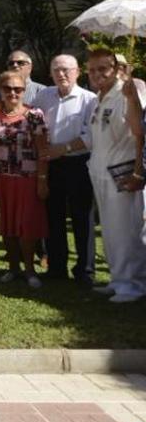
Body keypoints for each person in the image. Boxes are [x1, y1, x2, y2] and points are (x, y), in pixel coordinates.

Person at [84, 49, 146, 303]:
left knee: (126, 231)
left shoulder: (127, 92)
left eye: (103, 69)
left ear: (116, 69)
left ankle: (133, 285)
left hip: (121, 171)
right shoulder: (101, 97)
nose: (97, 74)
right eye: (92, 70)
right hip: (100, 172)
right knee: (110, 230)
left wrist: (139, 172)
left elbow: (139, 133)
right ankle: (118, 278)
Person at [32, 55, 96, 285]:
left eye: (66, 70)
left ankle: (85, 270)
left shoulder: (90, 99)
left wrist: (65, 148)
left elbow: (91, 135)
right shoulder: (44, 96)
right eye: (56, 70)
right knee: (53, 216)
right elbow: (34, 124)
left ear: (77, 72)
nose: (61, 74)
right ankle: (57, 267)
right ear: (50, 73)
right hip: (51, 164)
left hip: (78, 162)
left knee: (82, 217)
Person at [0, 71, 49, 289]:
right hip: (0, 178)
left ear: (24, 90)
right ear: (0, 90)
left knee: (26, 226)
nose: (12, 93)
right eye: (7, 88)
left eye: (18, 89)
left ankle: (30, 270)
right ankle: (13, 268)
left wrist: (42, 180)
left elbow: (43, 150)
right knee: (7, 225)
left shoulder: (34, 115)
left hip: (27, 179)